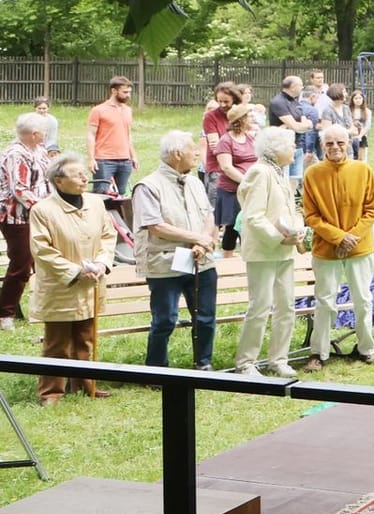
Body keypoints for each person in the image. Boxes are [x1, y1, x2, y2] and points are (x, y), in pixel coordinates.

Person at [29, 153, 117, 404]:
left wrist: (101, 262)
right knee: (57, 343)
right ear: (58, 180)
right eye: (77, 174)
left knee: (86, 338)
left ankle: (84, 384)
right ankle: (51, 391)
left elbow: (108, 236)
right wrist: (75, 270)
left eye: (84, 173)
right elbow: (42, 249)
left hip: (92, 282)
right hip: (62, 285)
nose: (84, 177)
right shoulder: (43, 210)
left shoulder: (96, 203)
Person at [131, 131, 221, 371]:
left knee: (205, 316)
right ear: (177, 153)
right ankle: (156, 369)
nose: (198, 153)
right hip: (165, 263)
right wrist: (198, 238)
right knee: (165, 320)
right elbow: (155, 226)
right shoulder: (148, 186)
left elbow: (208, 213)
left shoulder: (194, 181)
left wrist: (202, 243)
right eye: (193, 149)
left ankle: (203, 364)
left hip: (201, 261)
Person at [303, 125, 374, 371]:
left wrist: (352, 237)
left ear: (349, 143)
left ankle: (367, 348)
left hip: (360, 248)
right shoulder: (312, 174)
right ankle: (319, 352)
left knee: (363, 299)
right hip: (326, 250)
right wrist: (338, 238)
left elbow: (373, 209)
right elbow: (311, 216)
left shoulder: (363, 169)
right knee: (325, 301)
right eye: (329, 143)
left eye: (340, 142)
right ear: (321, 146)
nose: (335, 147)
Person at [234, 127, 304, 378]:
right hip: (263, 251)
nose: (294, 150)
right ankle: (246, 362)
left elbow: (288, 208)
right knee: (260, 306)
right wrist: (279, 238)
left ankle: (279, 358)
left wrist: (298, 228)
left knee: (286, 306)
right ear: (275, 150)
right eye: (290, 145)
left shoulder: (279, 172)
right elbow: (253, 216)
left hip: (284, 252)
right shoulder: (259, 172)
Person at [1, 112, 55, 332]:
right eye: (43, 131)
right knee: (21, 265)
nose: (45, 134)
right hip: (17, 217)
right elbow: (19, 188)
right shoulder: (15, 154)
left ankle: (42, 309)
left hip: (40, 213)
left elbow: (49, 178)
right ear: (34, 134)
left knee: (44, 261)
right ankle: (5, 314)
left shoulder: (40, 150)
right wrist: (44, 207)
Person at [212, 105, 258, 251]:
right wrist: (247, 181)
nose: (253, 118)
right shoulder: (225, 141)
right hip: (231, 191)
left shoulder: (250, 138)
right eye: (249, 116)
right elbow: (226, 167)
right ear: (241, 120)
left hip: (249, 190)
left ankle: (246, 256)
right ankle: (228, 259)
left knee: (249, 225)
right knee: (232, 227)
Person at [87, 75, 136, 196]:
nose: (128, 95)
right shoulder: (98, 110)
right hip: (104, 160)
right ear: (114, 91)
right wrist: (91, 159)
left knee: (122, 194)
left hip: (125, 160)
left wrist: (133, 156)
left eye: (129, 92)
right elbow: (91, 135)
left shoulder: (128, 110)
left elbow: (128, 135)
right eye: (125, 92)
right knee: (102, 194)